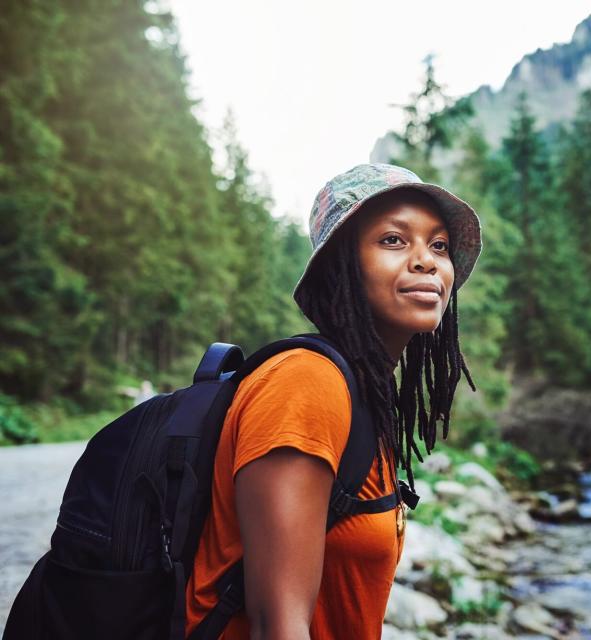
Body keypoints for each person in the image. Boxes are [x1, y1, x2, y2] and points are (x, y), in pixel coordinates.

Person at [184, 163, 482, 639]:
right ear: (342, 264)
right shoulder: (307, 383)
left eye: (439, 245)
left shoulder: (364, 395)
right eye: (393, 240)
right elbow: (277, 627)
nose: (427, 260)